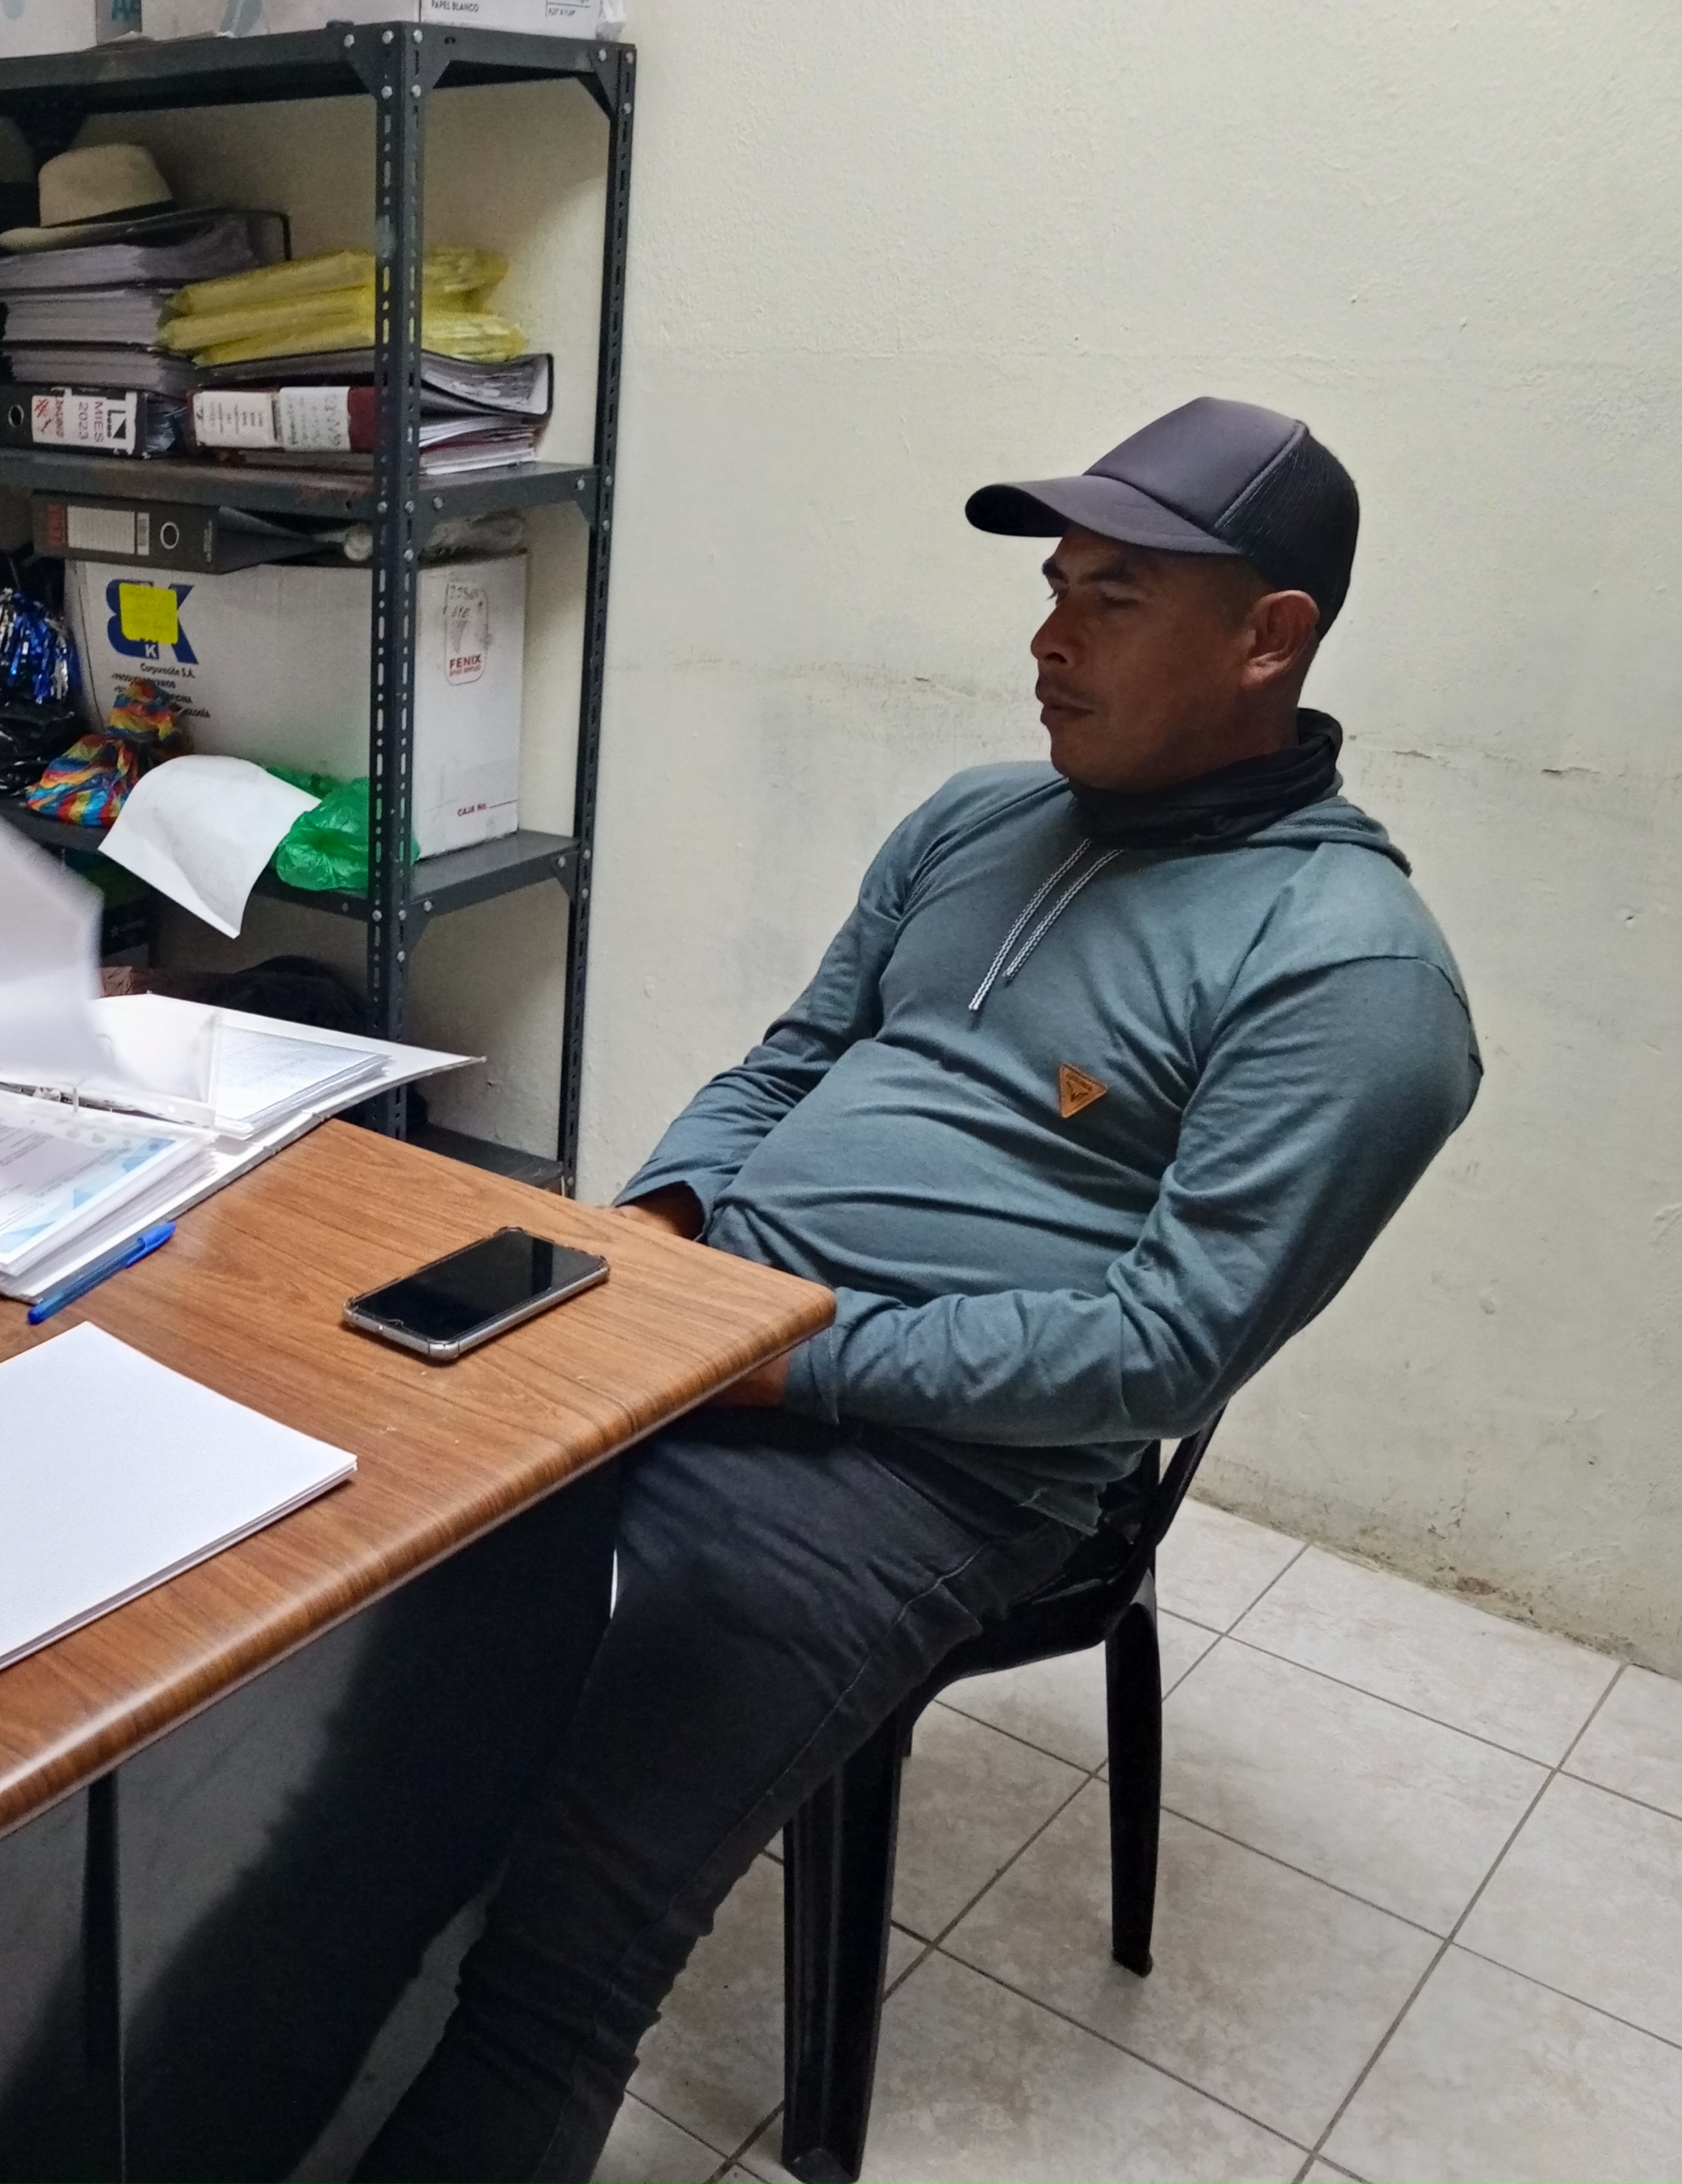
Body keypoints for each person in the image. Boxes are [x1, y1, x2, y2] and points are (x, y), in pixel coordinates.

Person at [353, 398, 1483, 2182]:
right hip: (706, 1330)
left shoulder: (1352, 977)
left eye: (1113, 598)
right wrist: (658, 1231)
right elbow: (789, 1059)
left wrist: (774, 1359)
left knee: (565, 1940)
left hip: (934, 1470)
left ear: (1270, 638)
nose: (1048, 640)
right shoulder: (976, 820)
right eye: (1053, 587)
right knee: (339, 1669)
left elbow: (1160, 1353)